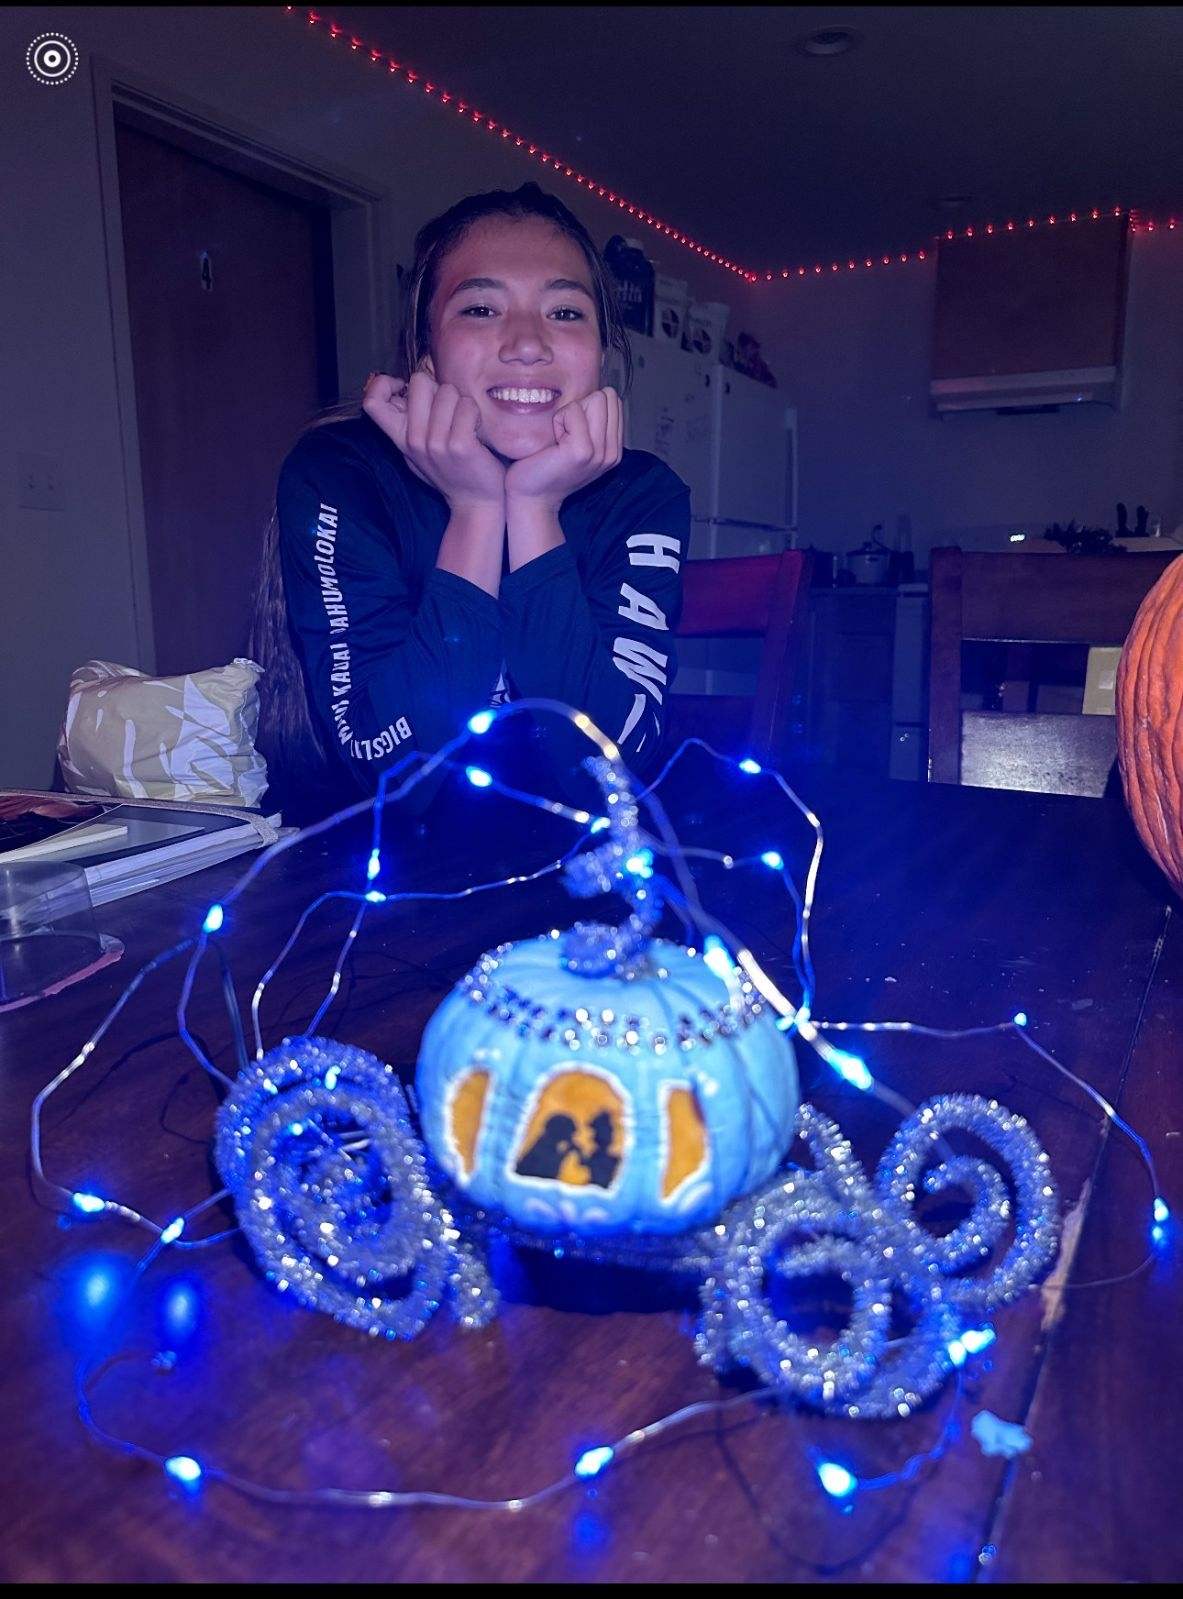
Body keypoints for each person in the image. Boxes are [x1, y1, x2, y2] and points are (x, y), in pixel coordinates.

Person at [251, 183, 689, 829]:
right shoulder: (341, 474)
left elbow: (612, 773)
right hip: (371, 884)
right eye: (481, 308)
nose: (526, 343)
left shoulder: (641, 494)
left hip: (580, 878)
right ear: (425, 355)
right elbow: (392, 774)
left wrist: (533, 507)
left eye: (565, 312)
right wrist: (476, 509)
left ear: (601, 354)